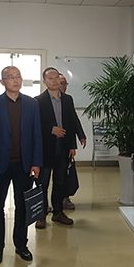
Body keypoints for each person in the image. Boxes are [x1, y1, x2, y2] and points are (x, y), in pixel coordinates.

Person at [0, 66, 43, 265]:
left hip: (24, 165)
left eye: (18, 76)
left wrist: (36, 162)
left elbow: (37, 135)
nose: (15, 80)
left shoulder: (32, 104)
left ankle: (21, 245)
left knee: (22, 206)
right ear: (2, 82)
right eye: (10, 77)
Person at [35, 67, 78, 228]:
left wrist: (73, 145)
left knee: (60, 182)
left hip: (63, 148)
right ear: (44, 81)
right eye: (50, 78)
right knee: (43, 184)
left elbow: (71, 122)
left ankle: (58, 213)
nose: (54, 81)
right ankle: (41, 215)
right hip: (45, 149)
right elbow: (34, 125)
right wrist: (50, 129)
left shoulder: (67, 99)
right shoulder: (38, 101)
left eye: (56, 78)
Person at [58, 73, 87, 210]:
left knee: (65, 173)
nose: (63, 86)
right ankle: (43, 205)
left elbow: (74, 120)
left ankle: (65, 198)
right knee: (45, 178)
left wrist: (81, 136)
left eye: (65, 83)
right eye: (61, 82)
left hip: (65, 144)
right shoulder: (41, 100)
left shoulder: (68, 99)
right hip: (48, 145)